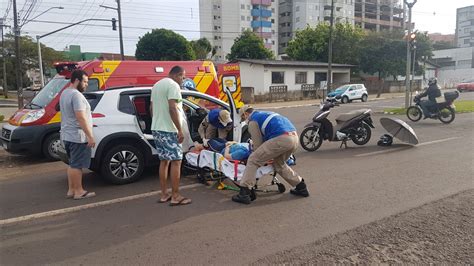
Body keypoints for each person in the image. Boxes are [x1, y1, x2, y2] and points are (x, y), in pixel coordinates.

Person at [232, 106, 309, 204]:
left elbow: (257, 146)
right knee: (279, 164)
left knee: (253, 159)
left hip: (281, 139)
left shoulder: (253, 121)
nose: (245, 120)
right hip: (294, 138)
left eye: (243, 118)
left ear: (246, 114)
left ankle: (245, 193)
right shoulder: (265, 113)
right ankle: (301, 186)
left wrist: (254, 153)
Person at [150, 66, 192, 206]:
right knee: (176, 162)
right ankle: (175, 196)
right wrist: (179, 130)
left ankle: (164, 194)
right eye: (183, 77)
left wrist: (157, 121)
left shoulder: (156, 85)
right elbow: (172, 107)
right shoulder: (173, 86)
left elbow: (151, 108)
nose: (183, 79)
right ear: (177, 75)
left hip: (157, 128)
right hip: (169, 129)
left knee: (164, 161)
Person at [60, 69, 96, 200]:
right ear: (77, 80)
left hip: (67, 135)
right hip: (77, 136)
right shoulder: (77, 96)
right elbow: (80, 117)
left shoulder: (65, 93)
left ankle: (72, 190)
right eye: (85, 81)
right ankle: (79, 191)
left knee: (72, 163)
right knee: (77, 165)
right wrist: (90, 136)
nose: (86, 84)